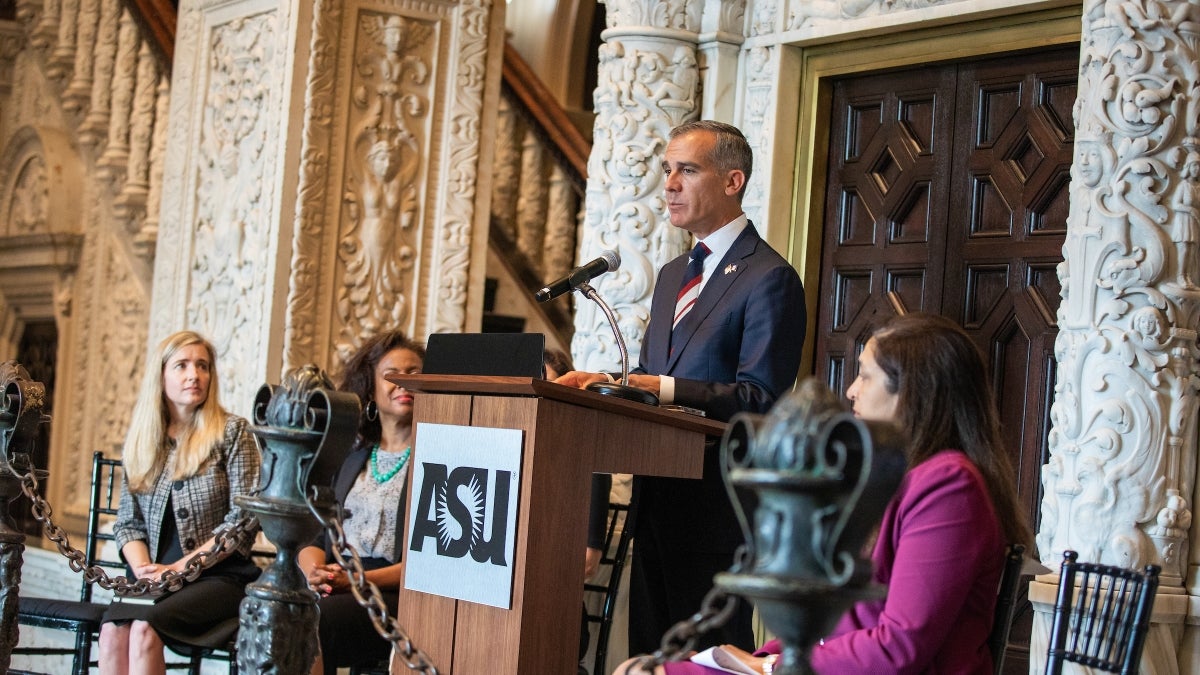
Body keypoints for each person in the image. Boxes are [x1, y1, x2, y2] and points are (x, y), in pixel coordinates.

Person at [616, 312, 1034, 675]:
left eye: (866, 376)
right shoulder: (900, 477)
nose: (850, 390)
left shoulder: (948, 485)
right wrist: (754, 657)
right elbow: (844, 619)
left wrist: (768, 666)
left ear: (912, 390)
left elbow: (898, 648)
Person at [558, 120, 807, 654]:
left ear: (732, 180)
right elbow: (653, 382)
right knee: (653, 651)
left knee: (707, 657)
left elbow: (760, 400)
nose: (669, 183)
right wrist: (609, 384)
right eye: (667, 169)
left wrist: (661, 386)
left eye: (687, 170)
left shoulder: (770, 278)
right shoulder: (674, 274)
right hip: (656, 496)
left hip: (717, 509)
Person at [99, 330, 262, 675]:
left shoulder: (232, 432)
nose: (194, 375)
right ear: (160, 375)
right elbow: (128, 523)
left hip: (218, 576)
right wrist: (143, 569)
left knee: (144, 630)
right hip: (153, 576)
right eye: (182, 365)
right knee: (112, 633)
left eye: (202, 366)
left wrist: (178, 568)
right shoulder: (145, 439)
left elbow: (243, 522)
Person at [298, 330, 424, 675]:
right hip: (337, 584)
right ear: (370, 388)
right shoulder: (349, 456)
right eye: (391, 375)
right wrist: (315, 572)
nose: (403, 383)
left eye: (414, 374)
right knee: (275, 610)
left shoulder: (438, 461)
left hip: (396, 594)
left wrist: (356, 583)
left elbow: (431, 564)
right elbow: (314, 536)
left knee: (313, 620)